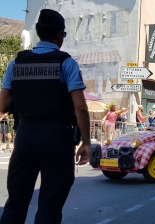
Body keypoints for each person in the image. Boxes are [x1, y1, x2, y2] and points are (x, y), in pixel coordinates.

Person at [0, 9, 91, 224]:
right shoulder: (66, 63)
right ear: (60, 35)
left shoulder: (16, 64)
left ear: (39, 32)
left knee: (16, 203)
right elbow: (80, 108)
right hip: (57, 138)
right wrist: (86, 142)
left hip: (25, 136)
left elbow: (3, 104)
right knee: (50, 206)